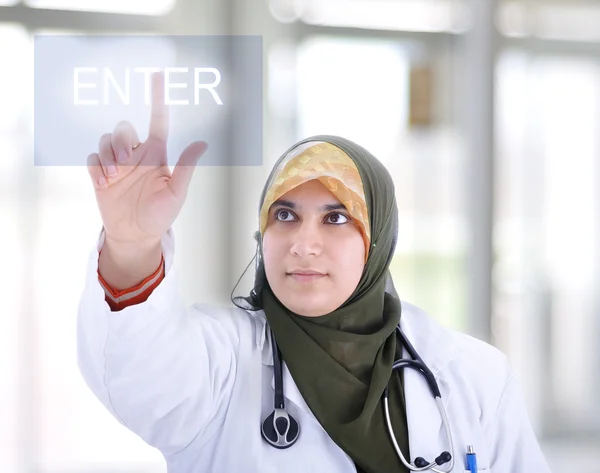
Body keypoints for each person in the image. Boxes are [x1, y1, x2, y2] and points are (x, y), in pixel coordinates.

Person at [78, 72, 552, 473]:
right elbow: (143, 374)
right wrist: (132, 243)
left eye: (336, 217)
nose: (303, 244)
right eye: (284, 215)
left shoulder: (472, 376)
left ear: (378, 238)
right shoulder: (223, 363)